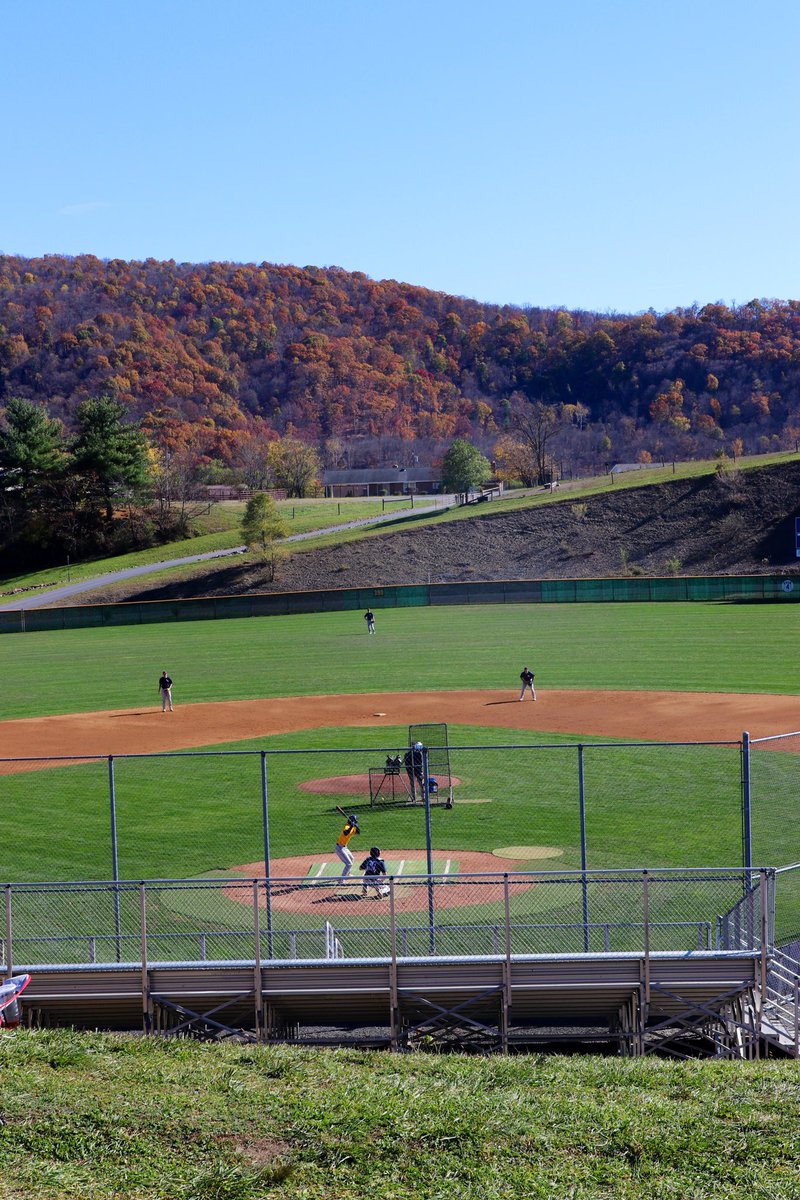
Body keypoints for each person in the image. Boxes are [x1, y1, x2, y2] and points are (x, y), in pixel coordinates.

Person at [334, 813, 360, 878]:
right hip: (339, 848)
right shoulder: (347, 827)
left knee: (352, 858)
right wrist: (351, 826)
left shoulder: (353, 827)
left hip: (345, 847)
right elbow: (346, 833)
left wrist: (356, 826)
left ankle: (348, 873)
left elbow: (358, 832)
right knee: (349, 864)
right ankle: (341, 880)